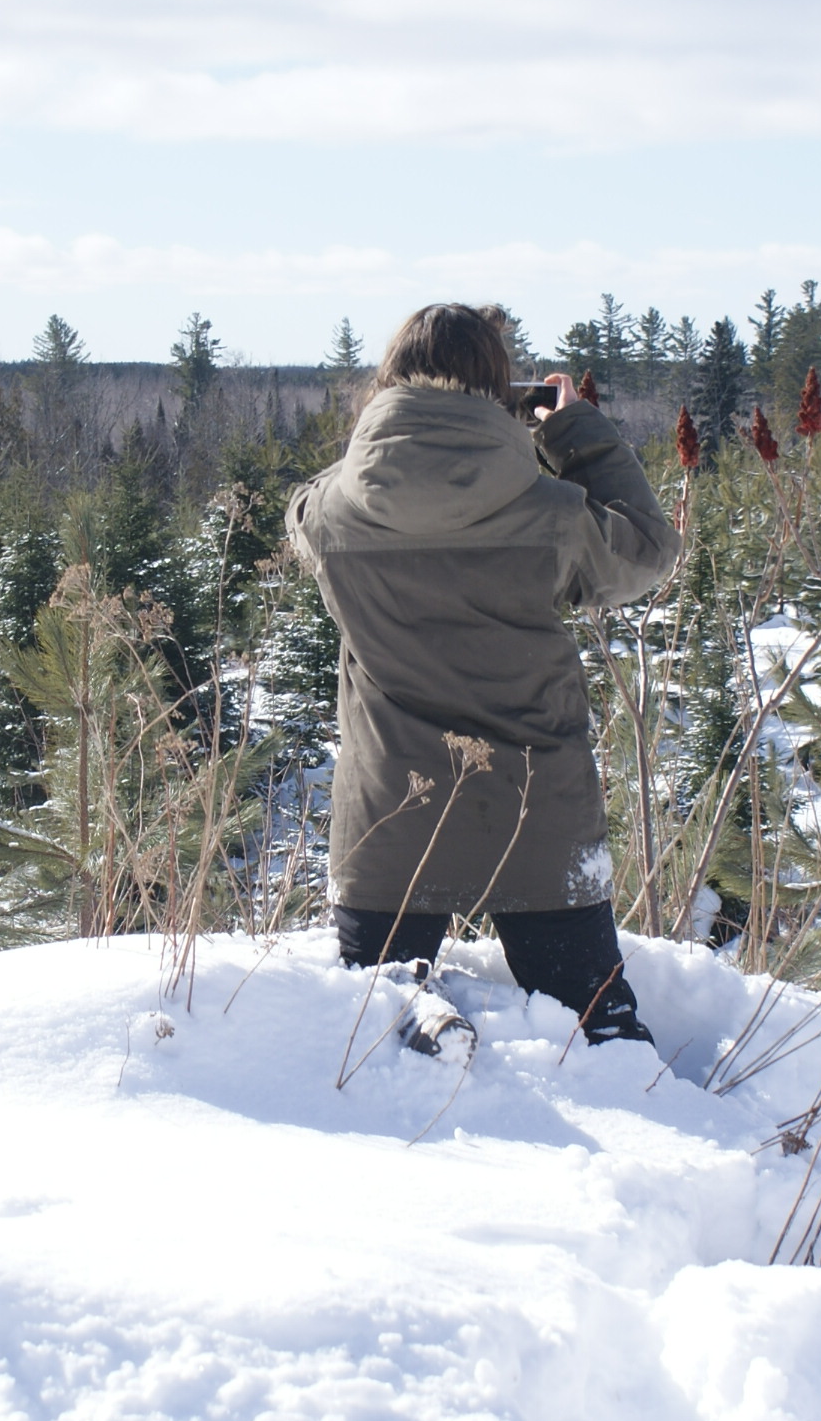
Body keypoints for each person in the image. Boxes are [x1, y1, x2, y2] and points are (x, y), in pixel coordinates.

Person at [287, 302, 682, 1044]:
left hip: (390, 821)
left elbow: (320, 497)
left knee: (371, 1047)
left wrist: (389, 429)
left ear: (388, 385)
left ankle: (439, 1047)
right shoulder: (554, 514)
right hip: (538, 815)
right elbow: (649, 548)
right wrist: (572, 431)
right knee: (600, 1038)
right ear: (503, 391)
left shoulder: (328, 512)